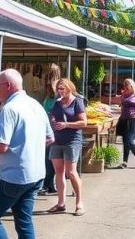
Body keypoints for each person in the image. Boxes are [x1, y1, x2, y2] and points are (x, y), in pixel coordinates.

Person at [0, 69, 54, 239]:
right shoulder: (36, 105)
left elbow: (1, 146)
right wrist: (28, 145)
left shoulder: (9, 109)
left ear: (8, 86)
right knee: (24, 220)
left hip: (14, 176)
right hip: (35, 174)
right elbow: (49, 138)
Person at [46, 78, 86, 215]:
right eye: (58, 89)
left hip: (72, 140)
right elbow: (53, 116)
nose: (59, 91)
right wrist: (52, 120)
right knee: (59, 172)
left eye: (62, 88)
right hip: (57, 140)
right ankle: (61, 203)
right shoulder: (57, 102)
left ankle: (79, 203)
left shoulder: (77, 102)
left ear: (69, 88)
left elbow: (83, 122)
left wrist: (66, 124)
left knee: (71, 172)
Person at [39, 63, 61, 196]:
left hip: (52, 128)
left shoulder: (55, 89)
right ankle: (49, 184)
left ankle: (48, 184)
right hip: (49, 127)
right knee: (49, 157)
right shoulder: (50, 92)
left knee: (49, 157)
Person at [118, 78, 135, 168]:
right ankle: (124, 161)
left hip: (132, 120)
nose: (125, 87)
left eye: (127, 85)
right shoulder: (124, 94)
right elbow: (121, 103)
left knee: (129, 141)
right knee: (125, 141)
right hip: (123, 119)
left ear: (132, 86)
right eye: (124, 85)